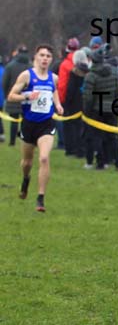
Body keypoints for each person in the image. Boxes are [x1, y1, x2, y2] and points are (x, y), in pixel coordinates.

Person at [7, 44, 64, 212]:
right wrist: (26, 95)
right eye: (42, 55)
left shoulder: (54, 78)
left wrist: (58, 105)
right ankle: (26, 179)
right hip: (29, 124)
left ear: (51, 60)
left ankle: (40, 198)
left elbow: (54, 92)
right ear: (36, 57)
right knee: (27, 162)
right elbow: (11, 96)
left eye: (48, 56)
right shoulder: (26, 76)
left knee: (44, 158)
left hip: (46, 124)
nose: (45, 58)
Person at [3, 45, 31, 146]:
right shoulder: (31, 66)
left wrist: (8, 95)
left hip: (13, 97)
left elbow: (4, 82)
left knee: (14, 121)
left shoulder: (10, 66)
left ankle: (12, 142)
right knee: (26, 121)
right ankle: (25, 140)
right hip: (27, 98)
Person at [57, 38, 81, 156]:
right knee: (79, 124)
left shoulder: (65, 64)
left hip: (68, 97)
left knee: (68, 124)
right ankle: (79, 147)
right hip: (81, 98)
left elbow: (62, 84)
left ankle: (70, 149)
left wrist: (61, 100)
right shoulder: (82, 62)